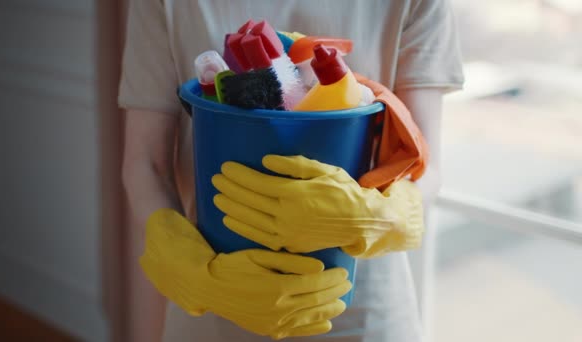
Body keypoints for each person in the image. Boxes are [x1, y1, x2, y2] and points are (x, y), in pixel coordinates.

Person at [119, 0, 464, 341]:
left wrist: (379, 215)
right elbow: (146, 164)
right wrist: (191, 269)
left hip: (361, 310)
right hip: (219, 299)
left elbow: (424, 158)